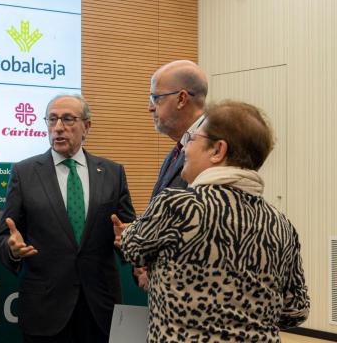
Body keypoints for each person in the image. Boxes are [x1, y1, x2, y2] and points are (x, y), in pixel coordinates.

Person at [114, 100, 310, 341]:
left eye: (192, 140)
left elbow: (132, 248)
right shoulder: (281, 225)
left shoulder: (177, 205)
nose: (184, 149)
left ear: (218, 150)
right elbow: (296, 311)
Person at [0, 94, 136, 343]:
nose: (58, 127)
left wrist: (126, 241)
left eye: (68, 119)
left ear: (87, 126)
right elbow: (5, 237)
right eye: (52, 119)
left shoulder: (113, 173)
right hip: (45, 309)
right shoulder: (24, 173)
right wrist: (13, 249)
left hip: (100, 307)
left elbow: (129, 233)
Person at [134, 59, 209, 290]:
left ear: (181, 99)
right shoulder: (178, 150)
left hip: (195, 293)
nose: (150, 107)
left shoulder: (212, 147)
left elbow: (203, 225)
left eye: (156, 98)